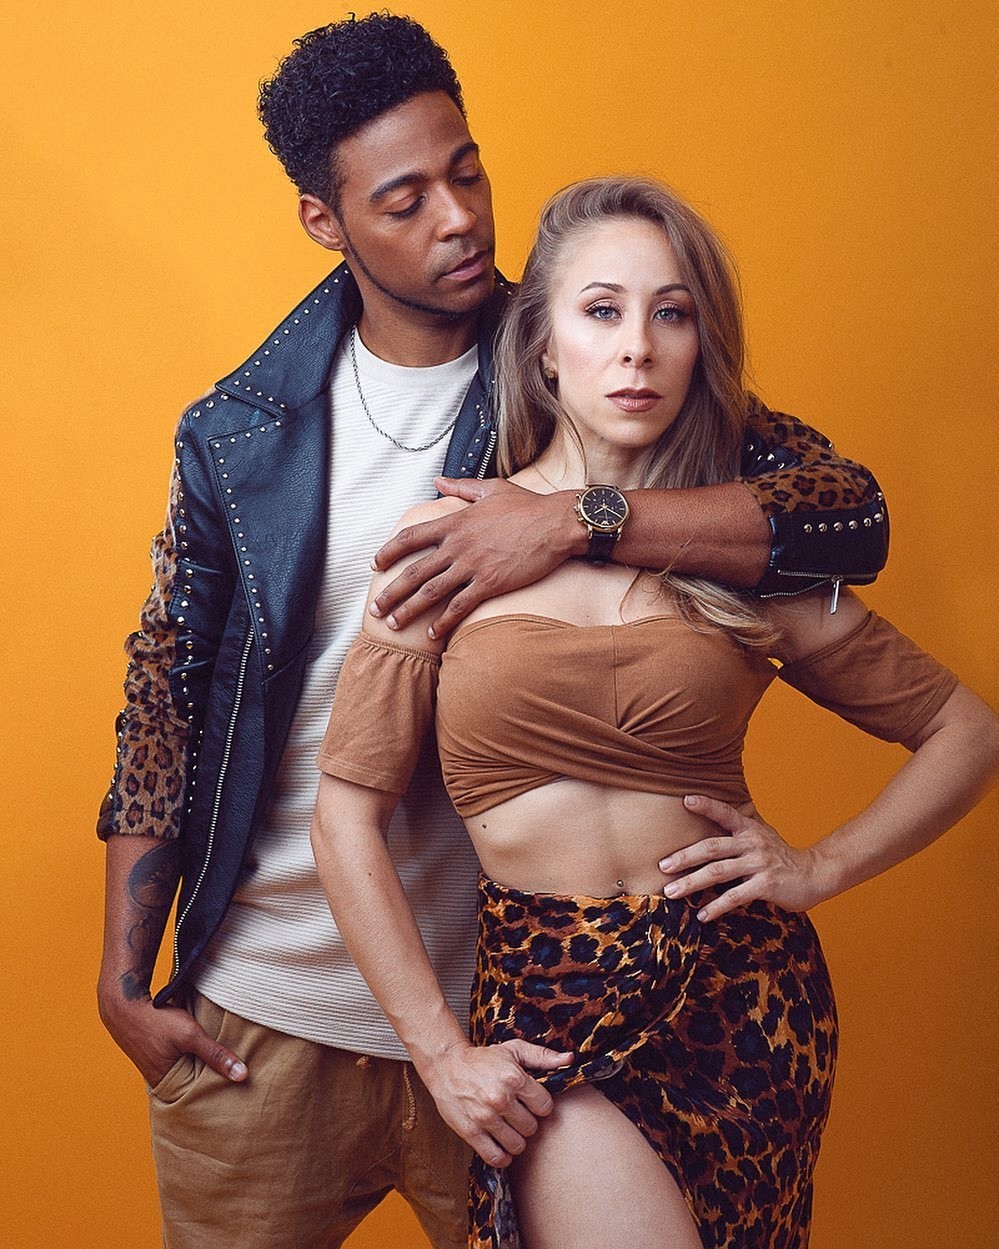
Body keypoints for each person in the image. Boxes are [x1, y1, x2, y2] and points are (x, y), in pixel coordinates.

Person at [97, 15, 888, 1249]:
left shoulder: (586, 363)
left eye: (467, 172)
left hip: (518, 1023)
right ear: (325, 220)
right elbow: (165, 690)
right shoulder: (236, 430)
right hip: (262, 1011)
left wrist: (578, 516)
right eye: (405, 200)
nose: (460, 218)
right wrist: (122, 976)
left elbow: (847, 515)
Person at [311, 175, 999, 1249]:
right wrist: (441, 1052)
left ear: (697, 344)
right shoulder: (448, 549)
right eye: (601, 311)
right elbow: (343, 816)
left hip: (746, 998)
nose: (636, 347)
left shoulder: (744, 556)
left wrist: (818, 867)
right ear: (544, 346)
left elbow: (966, 730)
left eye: (669, 314)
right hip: (555, 1001)